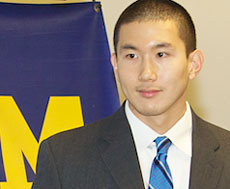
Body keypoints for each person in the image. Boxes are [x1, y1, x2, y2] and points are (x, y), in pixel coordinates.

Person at [32, 0, 230, 188]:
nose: (146, 73)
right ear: (115, 64)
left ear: (193, 64)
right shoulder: (64, 158)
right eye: (131, 56)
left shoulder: (225, 154)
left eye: (161, 54)